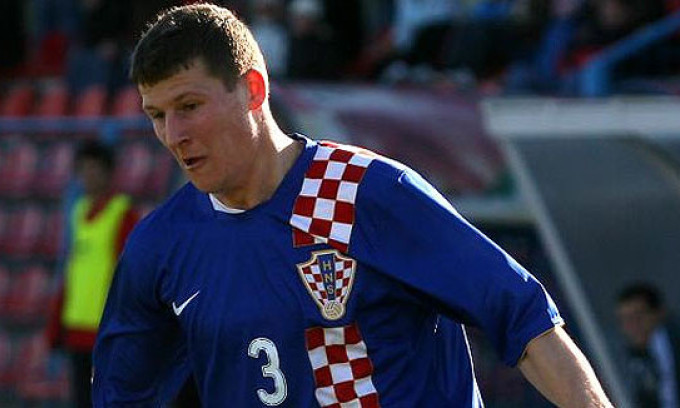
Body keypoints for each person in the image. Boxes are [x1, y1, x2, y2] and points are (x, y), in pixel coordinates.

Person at [92, 4, 613, 407]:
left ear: (252, 89)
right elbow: (122, 394)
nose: (173, 134)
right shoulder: (161, 247)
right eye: (156, 115)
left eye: (189, 106)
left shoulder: (364, 193)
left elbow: (525, 319)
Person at [617, 283, 680, 408]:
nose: (632, 326)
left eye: (638, 317)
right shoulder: (634, 359)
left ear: (658, 313)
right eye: (625, 320)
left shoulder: (673, 339)